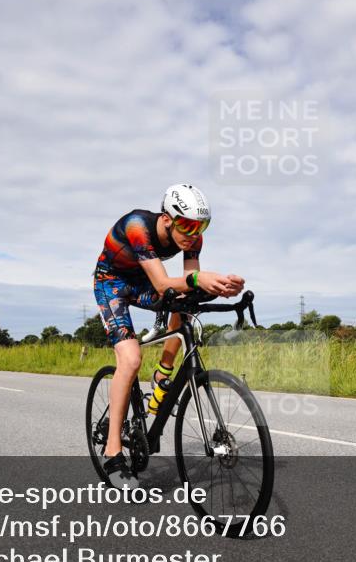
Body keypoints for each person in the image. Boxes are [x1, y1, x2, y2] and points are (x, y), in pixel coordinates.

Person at [93, 184, 244, 480]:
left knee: (186, 301)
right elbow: (164, 285)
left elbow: (189, 282)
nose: (193, 234)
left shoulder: (193, 238)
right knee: (131, 360)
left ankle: (163, 373)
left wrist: (222, 287)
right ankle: (112, 451)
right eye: (186, 225)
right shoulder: (137, 226)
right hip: (111, 283)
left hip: (143, 282)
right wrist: (199, 280)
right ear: (166, 219)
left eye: (201, 226)